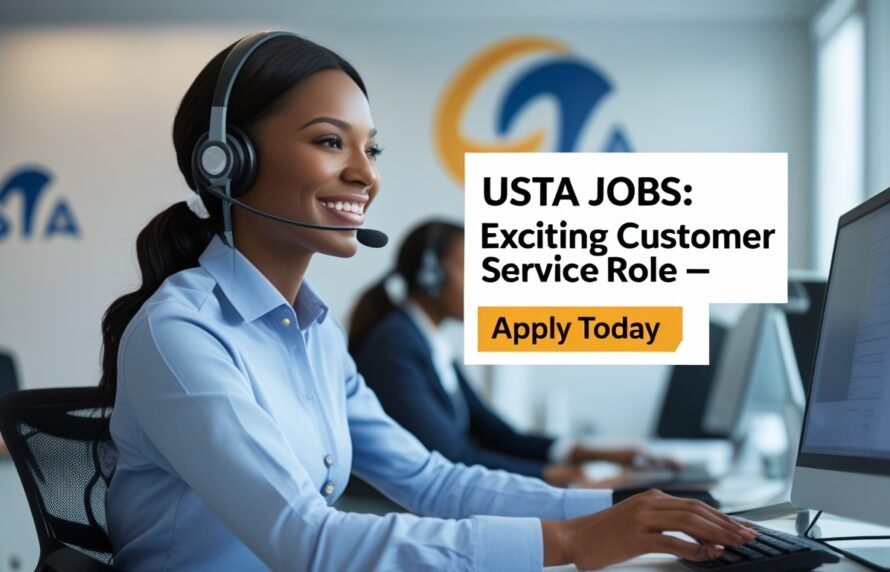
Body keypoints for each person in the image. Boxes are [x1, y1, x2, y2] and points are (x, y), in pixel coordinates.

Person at [99, 32, 755, 571]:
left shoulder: (316, 337)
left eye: (371, 148)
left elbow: (436, 481)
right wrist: (573, 543)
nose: (366, 173)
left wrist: (619, 504)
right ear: (227, 160)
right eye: (331, 141)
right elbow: (308, 542)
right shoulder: (181, 333)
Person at [349, 221, 672, 487]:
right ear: (431, 275)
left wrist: (593, 454)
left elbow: (498, 434)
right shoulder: (395, 345)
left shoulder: (429, 341)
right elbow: (452, 455)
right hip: (392, 512)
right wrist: (560, 478)